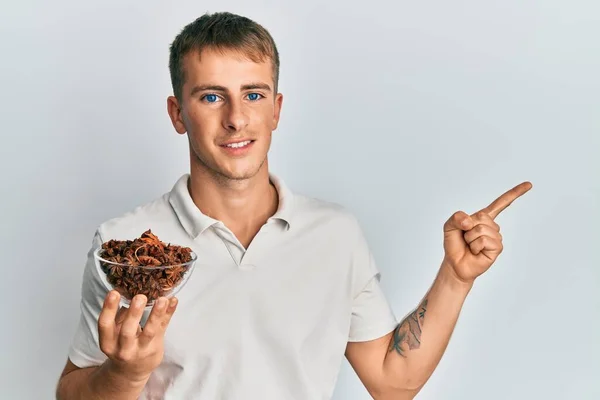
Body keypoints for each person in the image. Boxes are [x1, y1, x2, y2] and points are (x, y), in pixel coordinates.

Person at [55, 11, 532, 400]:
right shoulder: (123, 247)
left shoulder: (335, 235)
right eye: (211, 96)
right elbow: (72, 392)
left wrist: (456, 276)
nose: (236, 118)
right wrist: (124, 374)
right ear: (178, 113)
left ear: (277, 109)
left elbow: (392, 382)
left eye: (253, 94)